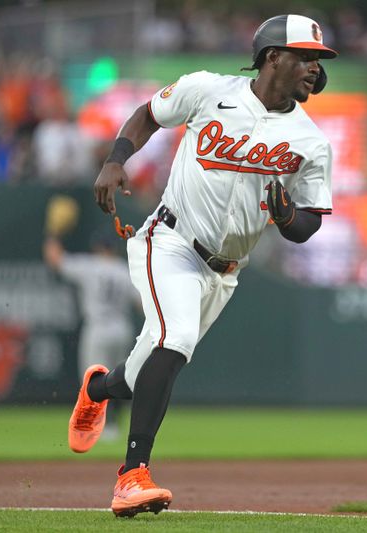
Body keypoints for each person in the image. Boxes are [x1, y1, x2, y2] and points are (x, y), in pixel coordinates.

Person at [67, 14, 336, 518]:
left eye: (318, 60)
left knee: (148, 366)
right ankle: (131, 477)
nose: (313, 69)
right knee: (177, 339)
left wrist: (286, 217)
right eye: (304, 56)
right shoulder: (207, 91)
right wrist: (115, 159)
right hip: (169, 242)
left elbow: (309, 226)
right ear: (272, 56)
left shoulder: (310, 141)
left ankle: (99, 387)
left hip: (224, 272)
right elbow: (147, 114)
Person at [43, 230, 137, 440]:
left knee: (94, 382)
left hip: (98, 329)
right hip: (122, 328)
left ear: (97, 248)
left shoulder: (90, 266)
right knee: (120, 380)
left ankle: (100, 427)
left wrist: (53, 233)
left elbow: (55, 259)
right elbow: (141, 304)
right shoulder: (124, 270)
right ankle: (114, 424)